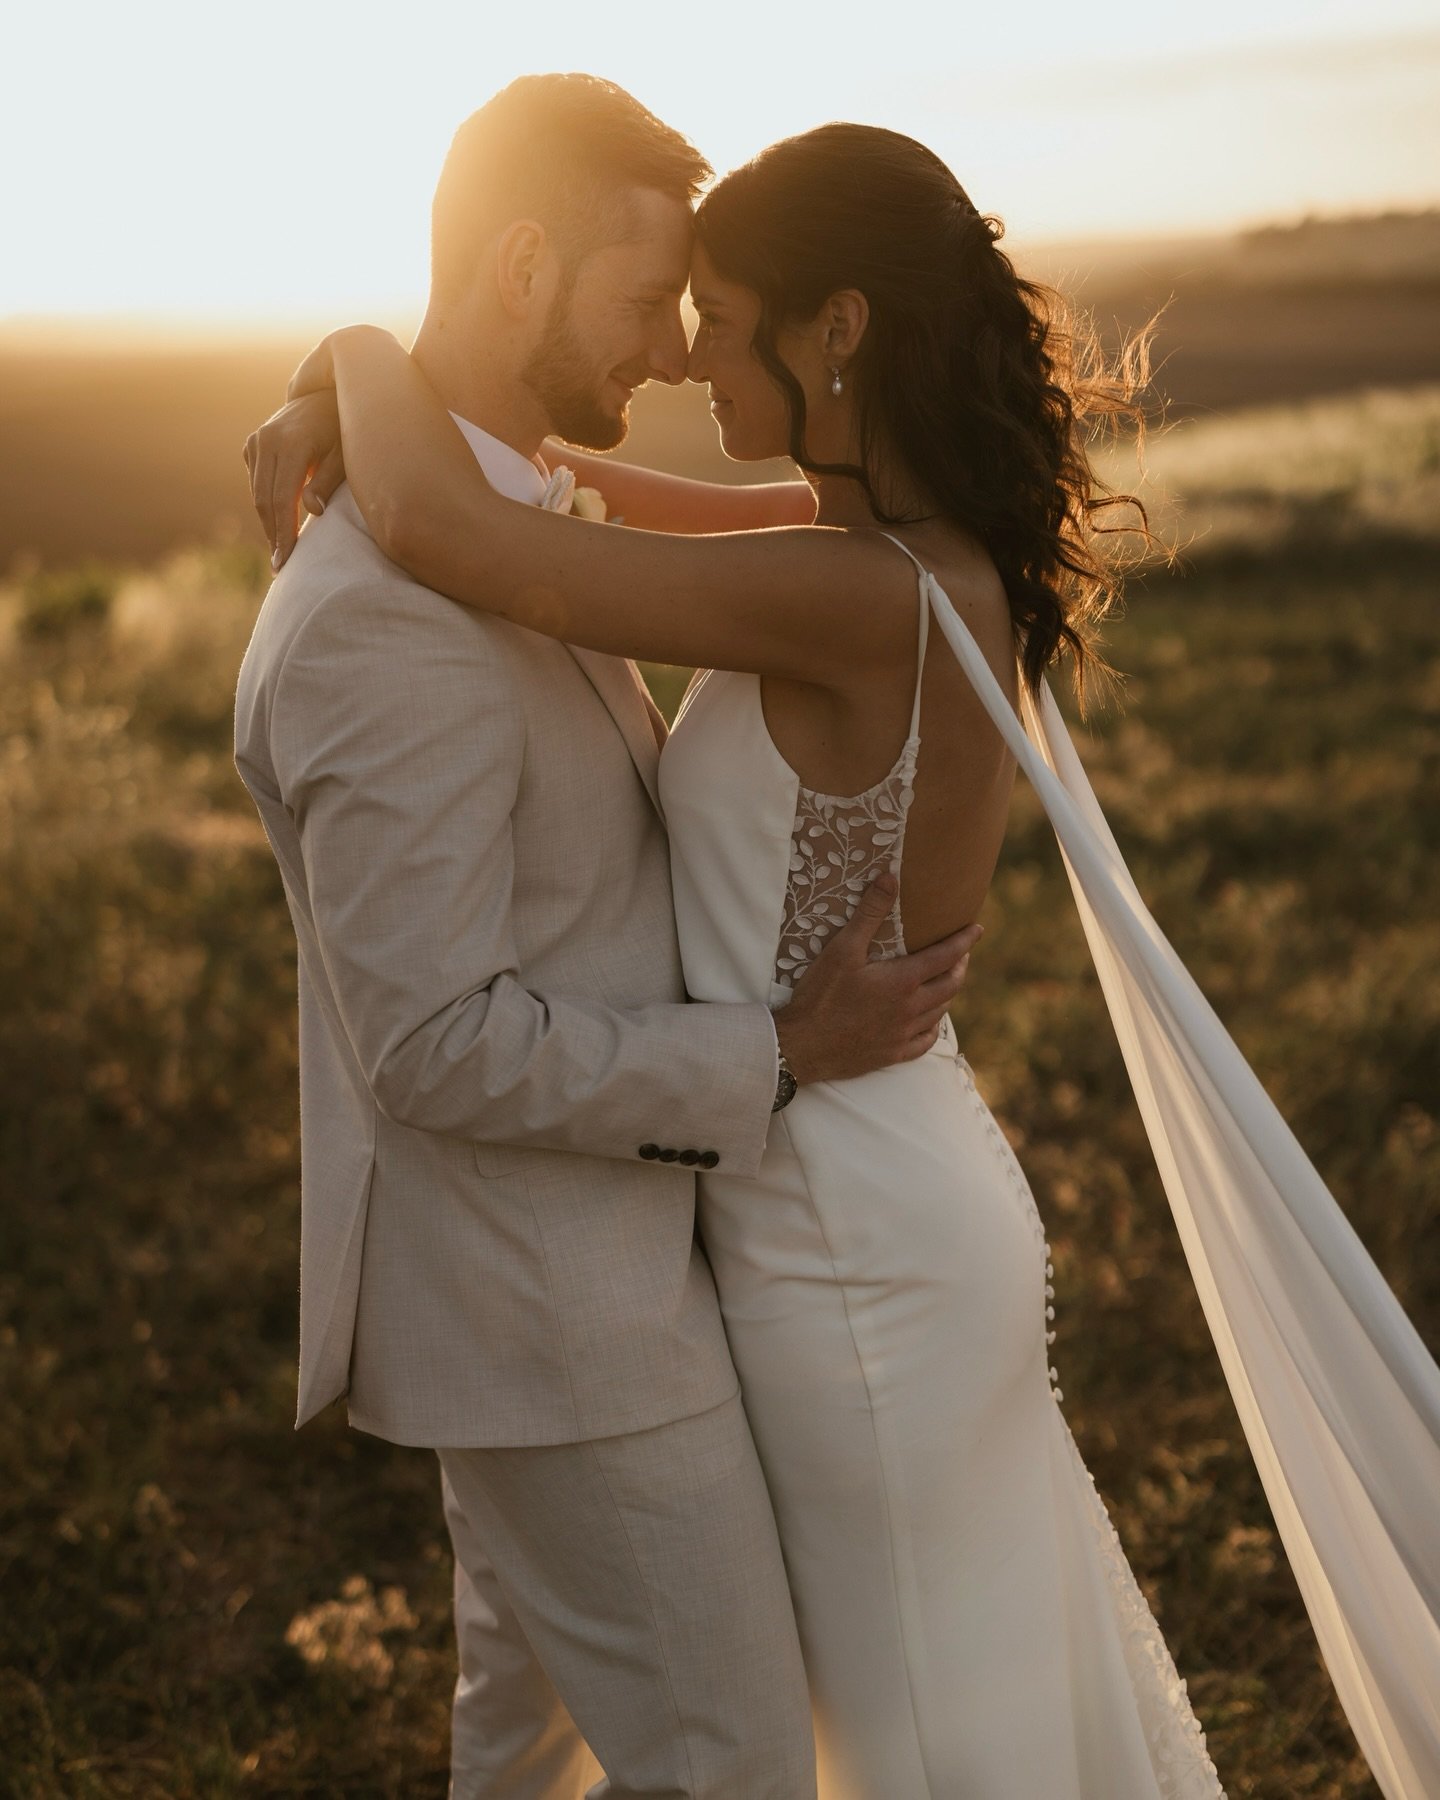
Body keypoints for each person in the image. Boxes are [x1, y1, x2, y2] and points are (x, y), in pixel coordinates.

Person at [252, 110, 1440, 1800]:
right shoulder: (879, 559)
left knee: (918, 1733)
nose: (686, 366)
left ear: (838, 327)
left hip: (844, 1239)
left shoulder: (857, 597)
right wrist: (377, 394)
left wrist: (357, 349)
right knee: (935, 1701)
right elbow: (555, 488)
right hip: (872, 1191)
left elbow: (479, 538)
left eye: (719, 324)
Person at [234, 78, 981, 1800]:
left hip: (567, 1293)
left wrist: (346, 362)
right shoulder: (382, 623)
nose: (667, 350)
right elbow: (428, 1043)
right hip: (562, 1326)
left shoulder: (500, 519)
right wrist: (778, 1055)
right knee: (735, 1763)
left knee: (524, 1756)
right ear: (518, 266)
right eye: (648, 302)